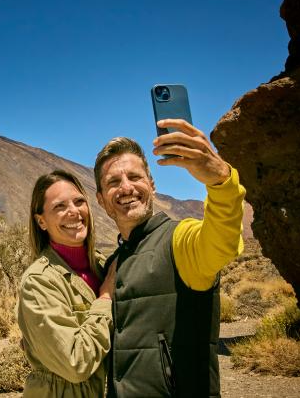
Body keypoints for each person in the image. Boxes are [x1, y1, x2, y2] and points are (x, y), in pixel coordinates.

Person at [94, 119, 246, 398]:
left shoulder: (179, 240)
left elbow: (220, 242)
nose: (126, 188)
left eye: (135, 177)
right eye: (113, 182)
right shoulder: (113, 261)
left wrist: (220, 181)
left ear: (151, 185)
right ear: (101, 200)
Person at [17, 170, 118, 398]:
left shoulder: (104, 266)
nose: (74, 211)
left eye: (79, 201)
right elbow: (75, 364)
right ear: (41, 221)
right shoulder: (39, 281)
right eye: (59, 207)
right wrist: (105, 299)